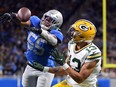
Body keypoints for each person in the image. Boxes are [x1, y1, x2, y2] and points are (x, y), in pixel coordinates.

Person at [0, 9, 64, 87]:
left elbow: (54, 41)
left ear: (56, 24)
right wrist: (13, 17)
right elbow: (23, 23)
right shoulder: (35, 21)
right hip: (31, 65)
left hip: (45, 69)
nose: (46, 20)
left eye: (50, 20)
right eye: (46, 17)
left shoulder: (56, 33)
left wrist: (41, 32)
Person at [33, 19, 102, 87]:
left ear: (82, 37)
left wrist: (63, 64)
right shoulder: (72, 44)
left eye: (76, 32)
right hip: (69, 83)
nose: (72, 32)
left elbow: (80, 79)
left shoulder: (93, 53)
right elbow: (65, 69)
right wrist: (44, 68)